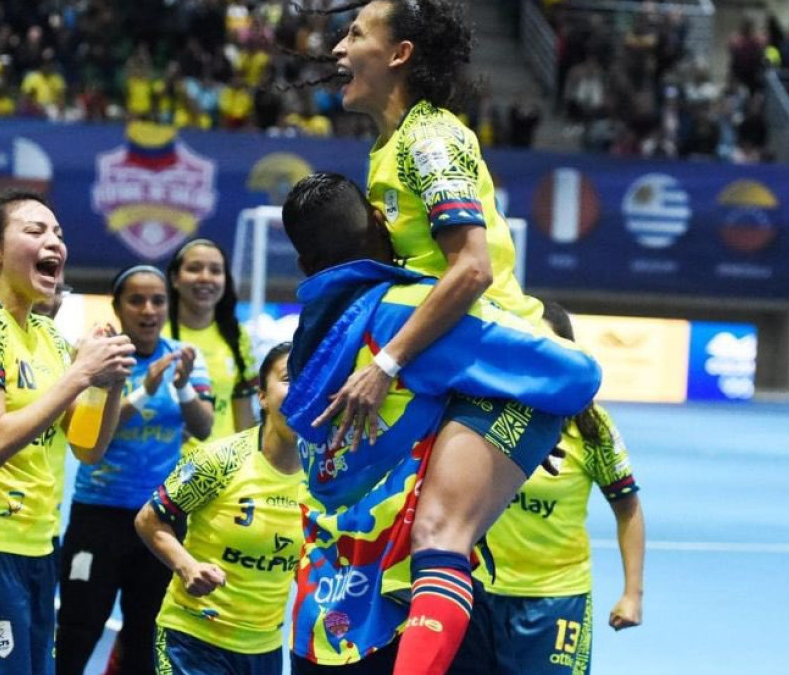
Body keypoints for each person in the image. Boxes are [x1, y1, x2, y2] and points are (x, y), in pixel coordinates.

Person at [323, 3, 601, 670]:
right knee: (426, 539)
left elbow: (471, 267)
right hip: (458, 365)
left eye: (356, 33)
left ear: (400, 55)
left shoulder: (430, 141)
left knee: (439, 534)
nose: (337, 48)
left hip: (507, 366)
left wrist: (386, 362)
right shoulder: (389, 148)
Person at [280, 172, 599, 673]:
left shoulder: (305, 343)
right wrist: (514, 423)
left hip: (321, 612)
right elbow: (575, 374)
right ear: (384, 229)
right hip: (408, 610)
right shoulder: (411, 313)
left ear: (304, 263)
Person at [0, 190, 135, 675]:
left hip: (40, 543)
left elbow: (87, 448)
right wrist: (79, 375)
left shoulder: (49, 336)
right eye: (35, 231)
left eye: (58, 234)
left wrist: (108, 384)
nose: (54, 241)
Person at [449, 300, 646, 675]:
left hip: (556, 598)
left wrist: (632, 594)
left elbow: (628, 509)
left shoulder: (591, 425)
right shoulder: (479, 412)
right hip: (474, 593)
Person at [56, 265, 214, 675]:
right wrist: (145, 390)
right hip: (97, 517)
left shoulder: (187, 359)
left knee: (145, 636)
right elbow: (96, 433)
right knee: (78, 628)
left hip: (158, 523)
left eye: (157, 300)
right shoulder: (100, 362)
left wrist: (179, 386)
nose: (148, 309)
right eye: (136, 300)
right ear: (117, 307)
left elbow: (204, 426)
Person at [135, 342, 301, 675]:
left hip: (264, 650)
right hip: (194, 641)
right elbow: (148, 520)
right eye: (288, 379)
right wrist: (186, 566)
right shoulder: (221, 460)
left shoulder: (328, 477)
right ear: (262, 396)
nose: (301, 389)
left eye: (312, 379)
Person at [165, 238, 258, 450]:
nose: (205, 277)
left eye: (215, 270)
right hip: (166, 472)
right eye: (194, 269)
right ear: (174, 278)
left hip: (222, 473)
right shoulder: (157, 335)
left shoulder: (237, 337)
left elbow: (244, 421)